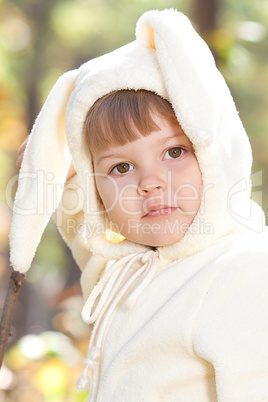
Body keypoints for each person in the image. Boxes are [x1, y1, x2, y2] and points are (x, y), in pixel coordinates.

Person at [11, 9, 268, 402]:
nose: (149, 183)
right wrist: (66, 184)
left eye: (175, 151)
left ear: (215, 150)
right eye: (121, 167)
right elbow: (96, 251)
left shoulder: (243, 271)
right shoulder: (136, 271)